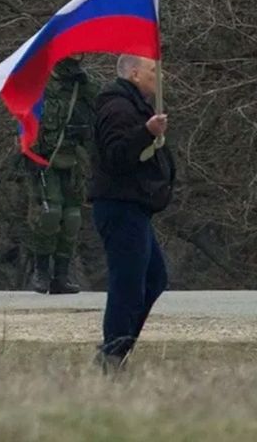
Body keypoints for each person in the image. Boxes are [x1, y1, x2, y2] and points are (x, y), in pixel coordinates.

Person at [90, 55, 175, 373]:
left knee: (154, 279)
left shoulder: (133, 105)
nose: (159, 76)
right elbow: (115, 156)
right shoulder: (117, 107)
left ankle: (119, 348)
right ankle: (113, 354)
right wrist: (147, 131)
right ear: (135, 73)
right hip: (119, 206)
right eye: (154, 71)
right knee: (128, 283)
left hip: (134, 207)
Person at [22, 56, 97, 294]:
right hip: (45, 160)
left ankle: (61, 274)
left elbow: (97, 109)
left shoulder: (81, 85)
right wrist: (28, 153)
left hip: (73, 159)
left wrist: (84, 84)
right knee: (50, 213)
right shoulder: (41, 83)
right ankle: (41, 270)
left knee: (73, 217)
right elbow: (24, 117)